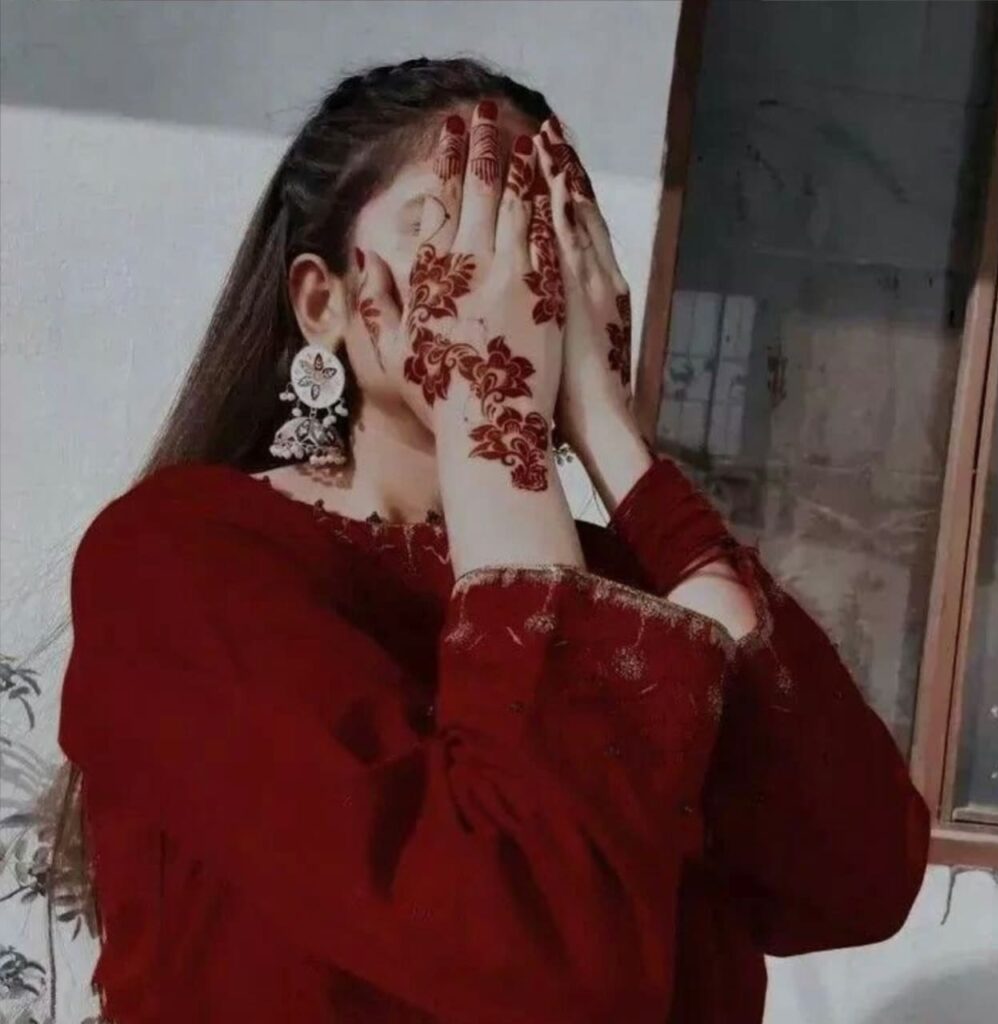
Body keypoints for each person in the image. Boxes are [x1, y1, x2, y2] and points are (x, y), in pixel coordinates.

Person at [56, 58, 931, 1024]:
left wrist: (609, 430)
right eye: (461, 227)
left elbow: (857, 875)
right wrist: (493, 412)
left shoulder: (616, 590)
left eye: (546, 234)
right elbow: (532, 945)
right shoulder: (185, 558)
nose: (521, 282)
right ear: (325, 302)